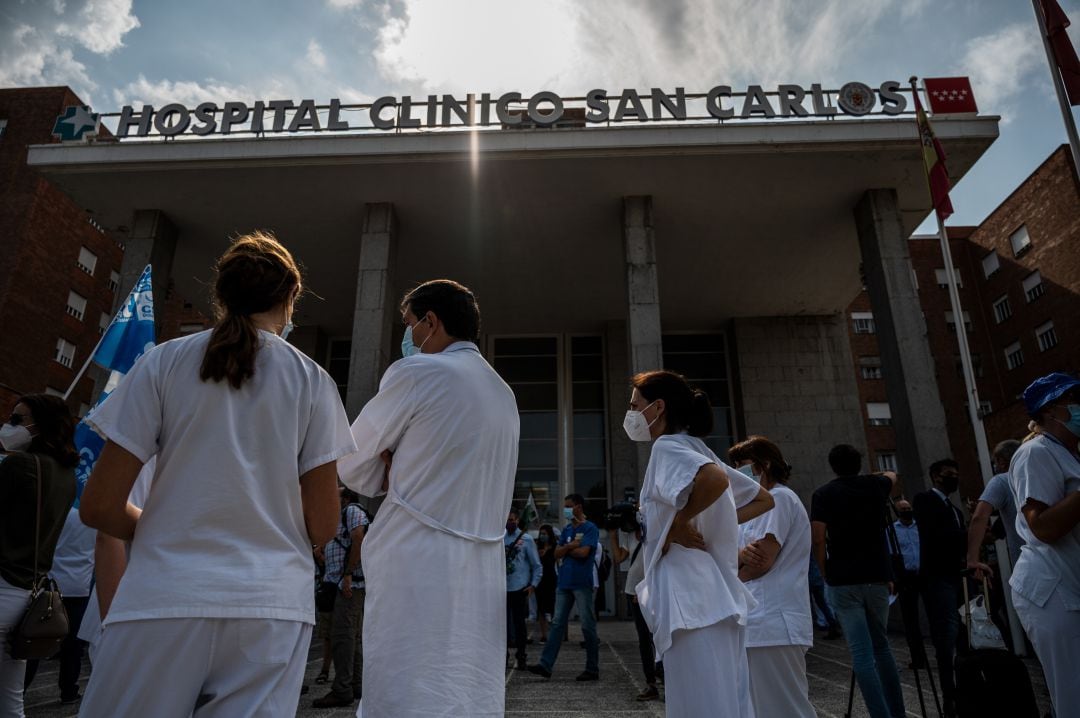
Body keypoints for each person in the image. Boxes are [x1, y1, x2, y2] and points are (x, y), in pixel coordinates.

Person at [77, 232, 356, 717]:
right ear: (291, 298)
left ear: (221, 296)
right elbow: (324, 525)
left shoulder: (162, 362)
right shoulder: (314, 380)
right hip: (270, 608)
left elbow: (99, 505)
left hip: (160, 598)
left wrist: (164, 528)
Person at [337, 279, 519, 717]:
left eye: (409, 325)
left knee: (406, 679)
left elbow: (350, 459)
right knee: (464, 683)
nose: (408, 336)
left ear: (430, 322)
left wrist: (390, 465)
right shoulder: (504, 392)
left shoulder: (418, 372)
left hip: (416, 554)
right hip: (480, 562)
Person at [624, 371, 774, 717]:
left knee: (698, 703)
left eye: (635, 406)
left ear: (658, 407)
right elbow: (763, 499)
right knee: (728, 700)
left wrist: (679, 522)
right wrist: (706, 521)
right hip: (715, 594)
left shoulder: (667, 446)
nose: (631, 414)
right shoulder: (695, 446)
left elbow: (715, 478)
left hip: (688, 598)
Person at [811, 444, 904, 718]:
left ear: (832, 465)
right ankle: (897, 712)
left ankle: (879, 714)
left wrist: (824, 569)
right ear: (859, 463)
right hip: (877, 575)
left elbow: (817, 537)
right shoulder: (875, 485)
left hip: (843, 577)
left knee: (862, 654)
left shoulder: (823, 494)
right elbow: (892, 475)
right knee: (882, 647)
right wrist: (870, 475)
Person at [1005, 372, 1080, 717]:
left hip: (1069, 584)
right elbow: (1042, 527)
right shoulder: (1034, 453)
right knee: (1073, 696)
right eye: (1074, 400)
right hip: (1052, 591)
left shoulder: (1069, 454)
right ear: (1052, 411)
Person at [0, 394, 78, 718]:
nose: (10, 424)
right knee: (10, 694)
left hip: (2, 580)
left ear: (41, 425)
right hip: (25, 593)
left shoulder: (21, 465)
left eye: (19, 419)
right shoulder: (66, 476)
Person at [731, 435, 815, 718]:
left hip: (773, 621)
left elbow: (761, 560)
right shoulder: (759, 503)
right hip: (761, 622)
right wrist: (741, 556)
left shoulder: (778, 498)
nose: (737, 473)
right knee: (763, 708)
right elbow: (744, 556)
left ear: (764, 465)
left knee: (786, 708)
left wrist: (730, 575)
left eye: (742, 465)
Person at [23, 505, 95, 704]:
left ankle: (21, 689)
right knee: (73, 646)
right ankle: (69, 690)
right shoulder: (91, 517)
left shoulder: (58, 514)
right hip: (80, 586)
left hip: (51, 585)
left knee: (38, 639)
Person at [527, 494, 601, 681]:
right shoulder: (567, 529)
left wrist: (567, 550)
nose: (566, 509)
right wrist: (570, 546)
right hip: (564, 583)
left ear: (578, 507)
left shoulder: (590, 528)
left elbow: (584, 553)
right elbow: (556, 553)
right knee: (558, 623)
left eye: (569, 506)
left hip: (582, 583)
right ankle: (545, 665)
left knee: (587, 625)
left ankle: (592, 668)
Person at [913, 458, 965, 716]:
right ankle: (950, 697)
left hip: (958, 578)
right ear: (935, 477)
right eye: (948, 474)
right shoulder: (926, 500)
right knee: (946, 638)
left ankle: (966, 691)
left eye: (956, 474)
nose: (953, 478)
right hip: (937, 579)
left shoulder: (955, 511)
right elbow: (937, 535)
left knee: (963, 635)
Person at [313, 488, 370, 708]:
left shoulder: (352, 511)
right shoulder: (339, 518)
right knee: (351, 637)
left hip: (349, 584)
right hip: (342, 583)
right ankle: (354, 685)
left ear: (345, 499)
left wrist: (348, 574)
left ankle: (342, 689)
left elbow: (358, 540)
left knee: (342, 637)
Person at [609, 519, 662, 701]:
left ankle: (666, 676)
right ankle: (651, 684)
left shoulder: (655, 530)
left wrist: (646, 588)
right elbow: (618, 558)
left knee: (660, 635)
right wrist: (612, 536)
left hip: (653, 590)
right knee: (644, 640)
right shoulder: (631, 536)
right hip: (633, 591)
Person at [967, 440, 1024, 574]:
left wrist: (972, 560)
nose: (995, 466)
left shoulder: (1002, 480)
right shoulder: (1040, 476)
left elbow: (979, 517)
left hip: (1029, 567)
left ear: (1002, 461)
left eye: (995, 462)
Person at [504, 507, 542, 670]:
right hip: (502, 588)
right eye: (507, 520)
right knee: (502, 625)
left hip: (519, 587)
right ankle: (503, 655)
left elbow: (536, 565)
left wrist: (533, 584)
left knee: (519, 624)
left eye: (512, 520)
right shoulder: (499, 538)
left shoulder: (526, 539)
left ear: (517, 520)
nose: (509, 523)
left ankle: (521, 655)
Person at [890, 498, 925, 667]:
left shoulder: (921, 527)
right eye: (903, 509)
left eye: (908, 507)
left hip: (924, 575)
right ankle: (918, 658)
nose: (907, 510)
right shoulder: (891, 531)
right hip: (906, 578)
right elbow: (890, 555)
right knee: (911, 621)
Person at [807, 554, 841, 639]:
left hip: (808, 578)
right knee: (822, 604)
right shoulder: (818, 549)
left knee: (807, 605)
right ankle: (833, 625)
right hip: (819, 577)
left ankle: (807, 630)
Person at [534, 524, 558, 643]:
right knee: (541, 608)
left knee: (552, 607)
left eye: (545, 534)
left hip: (551, 579)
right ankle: (544, 635)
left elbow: (558, 562)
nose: (542, 536)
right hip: (540, 580)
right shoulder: (537, 546)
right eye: (541, 534)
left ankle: (554, 634)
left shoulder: (555, 547)